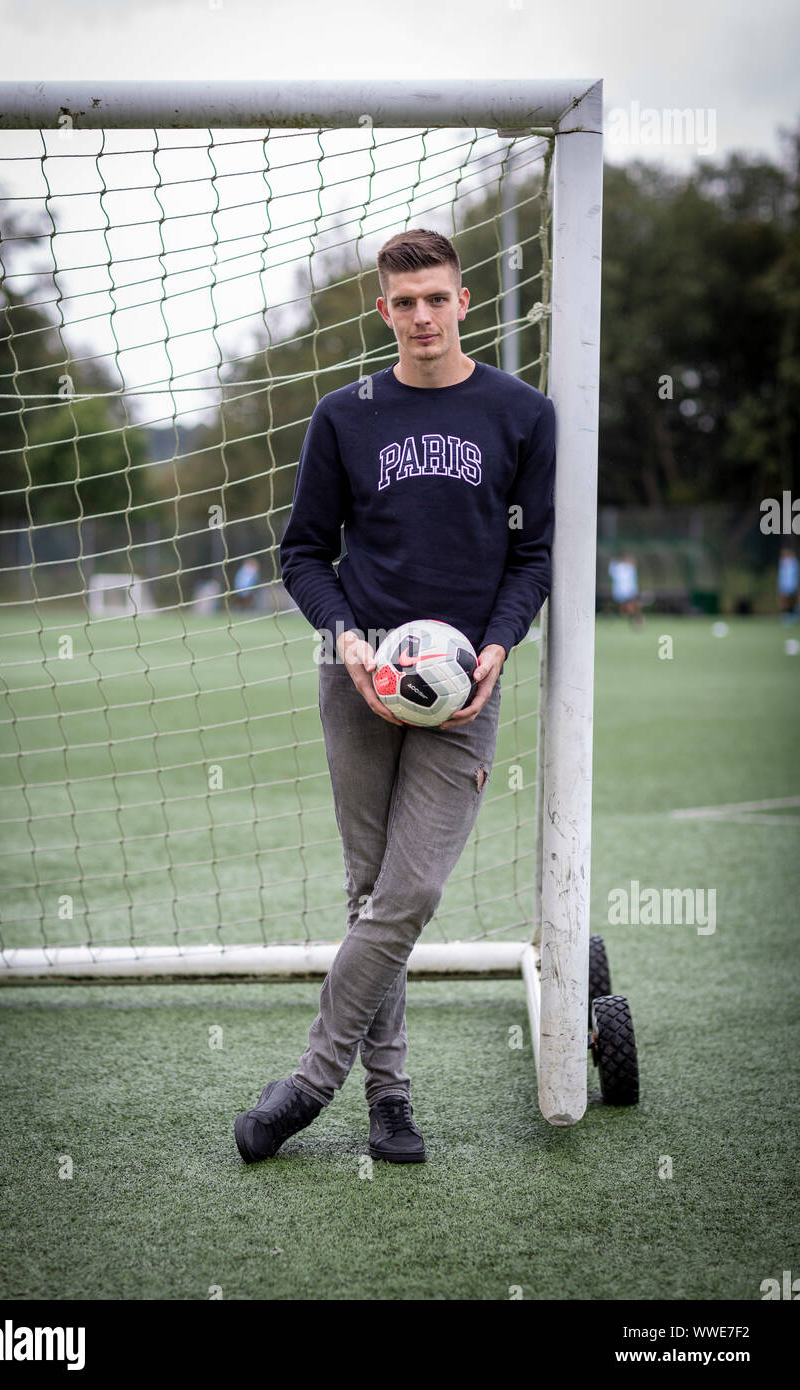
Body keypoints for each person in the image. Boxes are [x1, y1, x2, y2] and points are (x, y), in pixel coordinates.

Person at [234, 228, 556, 1165]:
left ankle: (309, 1082)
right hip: (359, 680)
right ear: (384, 311)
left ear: (465, 302)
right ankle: (391, 1101)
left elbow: (533, 555)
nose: (422, 316)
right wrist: (347, 639)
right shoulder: (347, 415)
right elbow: (302, 550)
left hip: (465, 690)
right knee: (369, 890)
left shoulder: (522, 413)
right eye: (404, 302)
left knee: (407, 892)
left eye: (437, 299)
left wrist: (498, 646)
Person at [608, 553, 643, 625]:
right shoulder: (621, 568)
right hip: (622, 592)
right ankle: (633, 618)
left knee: (633, 605)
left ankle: (634, 618)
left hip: (628, 591)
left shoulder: (629, 568)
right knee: (630, 605)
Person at [777, 547, 799, 623]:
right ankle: (786, 616)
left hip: (793, 584)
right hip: (784, 584)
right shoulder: (782, 562)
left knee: (793, 600)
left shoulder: (794, 562)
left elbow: (796, 575)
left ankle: (795, 614)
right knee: (785, 600)